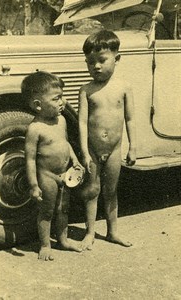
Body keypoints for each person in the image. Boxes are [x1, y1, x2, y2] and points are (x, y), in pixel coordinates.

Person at [78, 30, 136, 251]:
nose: (96, 66)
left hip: (114, 149)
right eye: (90, 62)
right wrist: (84, 152)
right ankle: (90, 232)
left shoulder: (124, 87)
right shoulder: (86, 90)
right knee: (92, 190)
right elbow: (82, 123)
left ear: (117, 58)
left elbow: (130, 118)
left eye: (101, 60)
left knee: (111, 191)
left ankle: (113, 232)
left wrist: (134, 147)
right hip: (92, 149)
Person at [22, 71, 83, 261]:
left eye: (62, 96)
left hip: (65, 174)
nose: (62, 102)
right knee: (47, 211)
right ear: (38, 105)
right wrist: (33, 185)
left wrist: (75, 160)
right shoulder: (35, 129)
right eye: (56, 98)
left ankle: (63, 240)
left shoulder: (62, 120)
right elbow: (30, 159)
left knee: (63, 208)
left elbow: (65, 144)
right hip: (47, 176)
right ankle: (45, 244)